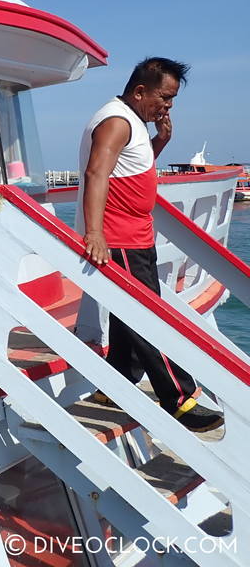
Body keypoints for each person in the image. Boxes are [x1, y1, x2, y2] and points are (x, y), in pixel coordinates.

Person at [78, 57, 223, 433]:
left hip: (137, 235)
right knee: (148, 319)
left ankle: (116, 385)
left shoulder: (134, 123)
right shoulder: (116, 121)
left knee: (129, 319)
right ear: (140, 91)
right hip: (119, 237)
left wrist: (160, 141)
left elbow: (131, 170)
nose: (168, 105)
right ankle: (179, 398)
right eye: (165, 97)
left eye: (173, 99)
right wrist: (95, 233)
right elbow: (97, 173)